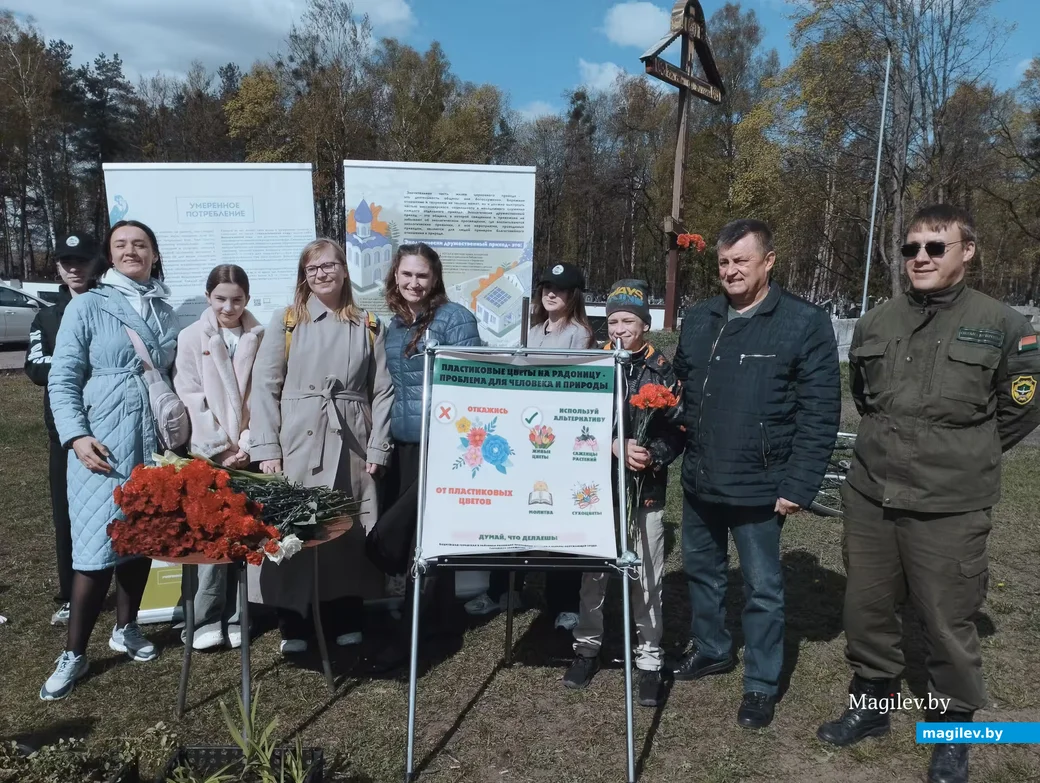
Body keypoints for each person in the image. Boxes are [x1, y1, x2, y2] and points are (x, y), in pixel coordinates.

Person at [817, 204, 1040, 783]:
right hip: (872, 493)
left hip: (951, 501)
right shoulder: (876, 322)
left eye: (935, 248)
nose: (920, 258)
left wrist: (964, 455)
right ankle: (872, 707)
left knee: (947, 618)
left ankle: (953, 731)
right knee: (865, 609)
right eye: (911, 248)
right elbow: (866, 398)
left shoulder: (1004, 325)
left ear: (967, 251)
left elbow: (1021, 407)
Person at [671, 218, 840, 728]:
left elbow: (821, 410)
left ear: (768, 261)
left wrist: (798, 485)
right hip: (701, 477)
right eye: (723, 262)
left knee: (763, 587)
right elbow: (681, 394)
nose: (731, 271)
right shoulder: (699, 319)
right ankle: (713, 647)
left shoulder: (803, 322)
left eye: (741, 260)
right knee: (703, 571)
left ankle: (762, 683)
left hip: (761, 486)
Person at [41, 220, 179, 701]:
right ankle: (75, 652)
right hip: (104, 441)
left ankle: (127, 628)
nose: (131, 251)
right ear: (110, 254)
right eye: (121, 245)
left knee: (139, 541)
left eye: (140, 244)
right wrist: (76, 436)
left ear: (154, 253)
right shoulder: (88, 305)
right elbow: (62, 380)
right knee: (97, 549)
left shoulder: (164, 308)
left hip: (151, 441)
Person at [249, 238, 394, 655]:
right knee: (296, 528)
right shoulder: (288, 321)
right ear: (304, 276)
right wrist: (267, 448)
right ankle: (292, 620)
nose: (321, 274)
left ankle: (346, 615)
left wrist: (378, 447)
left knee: (346, 529)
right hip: (298, 439)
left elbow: (382, 391)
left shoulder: (367, 324)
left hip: (351, 440)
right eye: (312, 269)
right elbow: (265, 386)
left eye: (329, 266)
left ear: (345, 270)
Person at [561, 279, 684, 708]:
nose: (619, 328)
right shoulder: (596, 363)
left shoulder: (662, 369)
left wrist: (651, 455)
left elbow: (678, 429)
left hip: (644, 490)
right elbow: (574, 420)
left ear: (645, 325)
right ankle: (587, 648)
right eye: (612, 320)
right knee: (593, 573)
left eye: (628, 320)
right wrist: (611, 445)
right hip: (596, 488)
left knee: (647, 575)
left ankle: (649, 659)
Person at [464, 261, 595, 630]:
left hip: (560, 441)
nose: (551, 293)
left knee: (559, 520)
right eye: (546, 288)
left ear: (573, 296)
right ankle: (504, 589)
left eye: (560, 288)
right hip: (526, 437)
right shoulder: (532, 331)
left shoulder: (580, 335)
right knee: (510, 514)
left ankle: (564, 602)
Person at [367, 242, 482, 636]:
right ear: (395, 277)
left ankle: (421, 624)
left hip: (441, 444)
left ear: (435, 279)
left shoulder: (455, 319)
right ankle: (433, 614)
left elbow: (470, 384)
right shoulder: (396, 324)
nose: (414, 283)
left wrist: (455, 441)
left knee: (427, 536)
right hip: (405, 443)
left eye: (422, 275)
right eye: (406, 275)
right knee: (414, 535)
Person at [173, 264, 264, 651]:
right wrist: (220, 447)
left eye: (237, 299)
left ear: (247, 298)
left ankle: (240, 614)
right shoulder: (192, 336)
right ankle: (207, 616)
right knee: (210, 534)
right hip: (211, 452)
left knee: (247, 531)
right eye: (221, 299)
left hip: (248, 451)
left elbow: (263, 394)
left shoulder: (259, 336)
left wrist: (248, 442)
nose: (229, 307)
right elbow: (190, 395)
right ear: (209, 296)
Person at [24, 232, 101, 627]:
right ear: (57, 267)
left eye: (81, 261)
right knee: (67, 515)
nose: (74, 268)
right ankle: (71, 593)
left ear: (95, 264)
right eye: (66, 262)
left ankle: (123, 586)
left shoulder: (109, 306)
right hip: (65, 433)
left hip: (108, 423)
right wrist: (77, 365)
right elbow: (37, 368)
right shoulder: (47, 315)